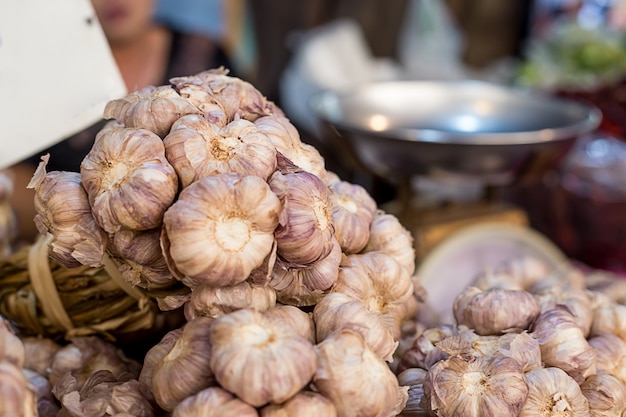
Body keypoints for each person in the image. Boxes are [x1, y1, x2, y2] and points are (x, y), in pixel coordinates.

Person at [9, 0, 231, 243]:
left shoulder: (203, 55)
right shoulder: (45, 77)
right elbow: (15, 179)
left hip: (202, 237)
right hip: (84, 264)